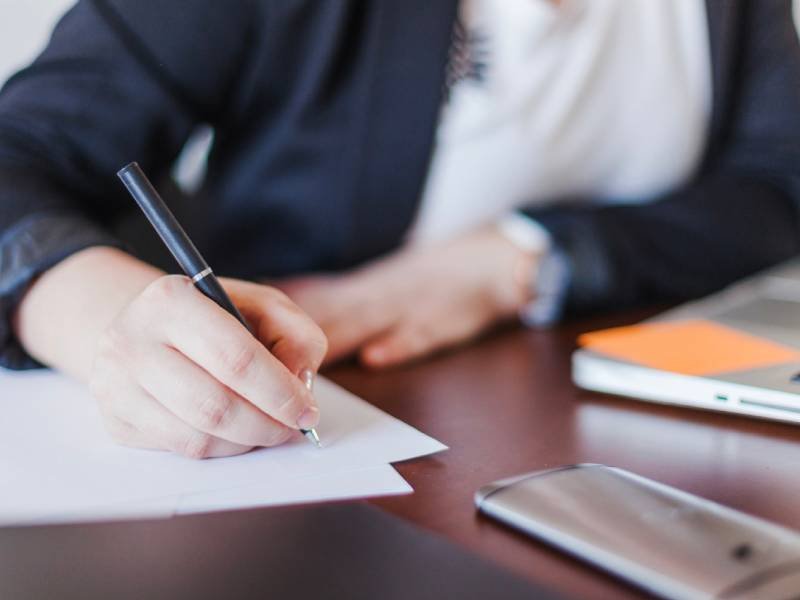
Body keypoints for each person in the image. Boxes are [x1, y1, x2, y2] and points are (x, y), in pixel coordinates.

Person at [1, 0, 799, 458]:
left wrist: (513, 261)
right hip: (298, 449)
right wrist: (107, 323)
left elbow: (782, 184)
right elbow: (17, 154)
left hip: (600, 434)